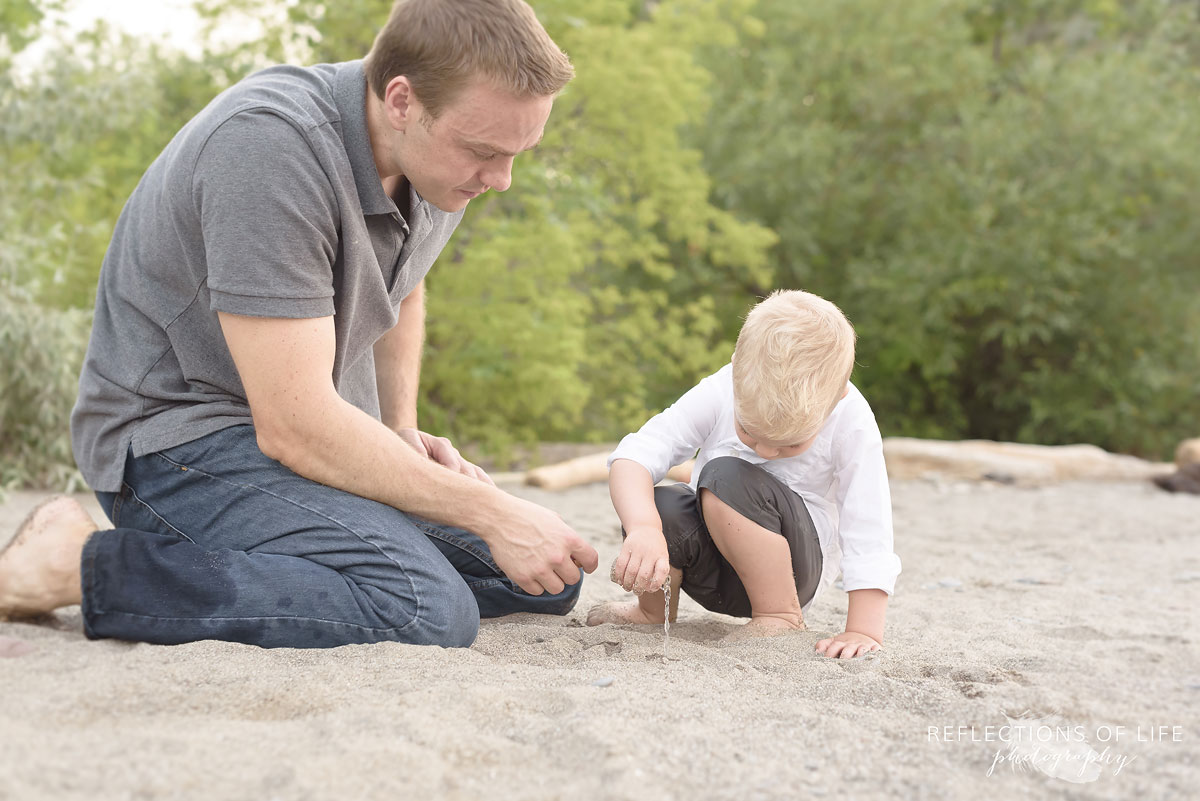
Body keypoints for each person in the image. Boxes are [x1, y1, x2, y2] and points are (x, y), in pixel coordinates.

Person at [0, 0, 600, 648]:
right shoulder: (268, 148)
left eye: (517, 153)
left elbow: (405, 279)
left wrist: (397, 428)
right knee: (424, 605)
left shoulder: (437, 162)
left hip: (290, 434)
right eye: (485, 151)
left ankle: (295, 558)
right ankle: (78, 562)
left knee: (545, 576)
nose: (502, 179)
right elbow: (293, 425)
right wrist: (491, 509)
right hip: (173, 447)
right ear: (401, 101)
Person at [586, 290, 901, 658]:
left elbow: (868, 527)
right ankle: (652, 611)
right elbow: (637, 454)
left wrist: (862, 630)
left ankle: (779, 616)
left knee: (726, 476)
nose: (764, 452)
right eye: (749, 431)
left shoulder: (852, 420)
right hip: (714, 570)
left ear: (838, 396)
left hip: (793, 572)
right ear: (736, 369)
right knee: (661, 503)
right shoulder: (724, 387)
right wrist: (643, 527)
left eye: (789, 445)